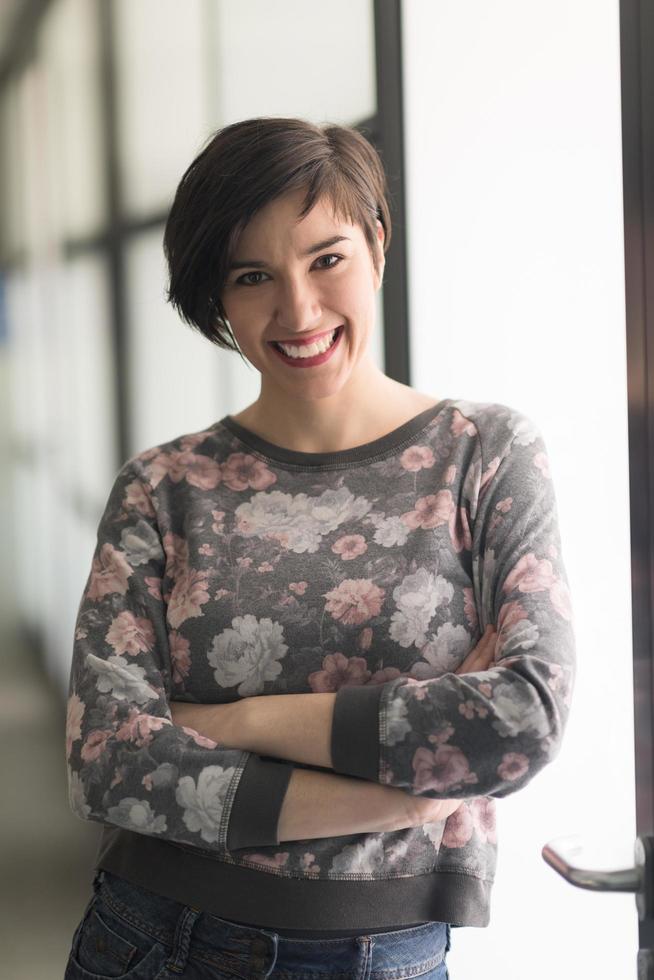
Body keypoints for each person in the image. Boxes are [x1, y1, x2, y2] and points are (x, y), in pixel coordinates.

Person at [63, 116, 576, 979]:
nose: (298, 310)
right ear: (216, 298)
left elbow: (525, 719)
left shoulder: (484, 456)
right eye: (253, 275)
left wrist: (238, 724)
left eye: (325, 258)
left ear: (377, 243)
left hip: (389, 956)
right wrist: (406, 797)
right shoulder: (163, 488)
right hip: (156, 942)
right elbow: (107, 762)